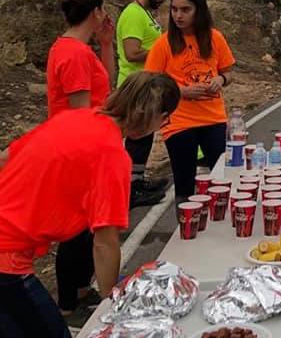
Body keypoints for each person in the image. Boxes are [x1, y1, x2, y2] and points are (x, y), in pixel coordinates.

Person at [0, 72, 180, 338]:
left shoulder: (74, 117)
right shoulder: (111, 155)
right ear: (159, 117)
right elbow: (105, 242)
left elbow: (6, 157)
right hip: (7, 259)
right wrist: (112, 300)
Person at [45, 0, 115, 316]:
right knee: (76, 229)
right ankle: (67, 303)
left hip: (84, 142)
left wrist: (105, 44)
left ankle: (81, 288)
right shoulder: (71, 53)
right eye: (102, 10)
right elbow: (80, 109)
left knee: (86, 227)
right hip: (76, 148)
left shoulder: (79, 48)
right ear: (96, 12)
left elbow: (107, 83)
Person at [145, 0, 236, 201]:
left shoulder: (215, 38)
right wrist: (182, 92)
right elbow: (150, 83)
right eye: (174, 9)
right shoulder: (163, 43)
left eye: (185, 10)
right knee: (185, 182)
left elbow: (229, 73)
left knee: (222, 178)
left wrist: (219, 79)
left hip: (213, 118)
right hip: (179, 122)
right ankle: (187, 230)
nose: (178, 15)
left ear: (199, 10)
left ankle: (223, 225)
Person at [116, 0, 174, 207]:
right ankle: (130, 188)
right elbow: (131, 52)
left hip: (148, 85)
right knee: (136, 138)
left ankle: (138, 180)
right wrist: (162, 54)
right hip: (135, 84)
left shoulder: (146, 14)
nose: (163, 0)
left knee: (144, 137)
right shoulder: (132, 14)